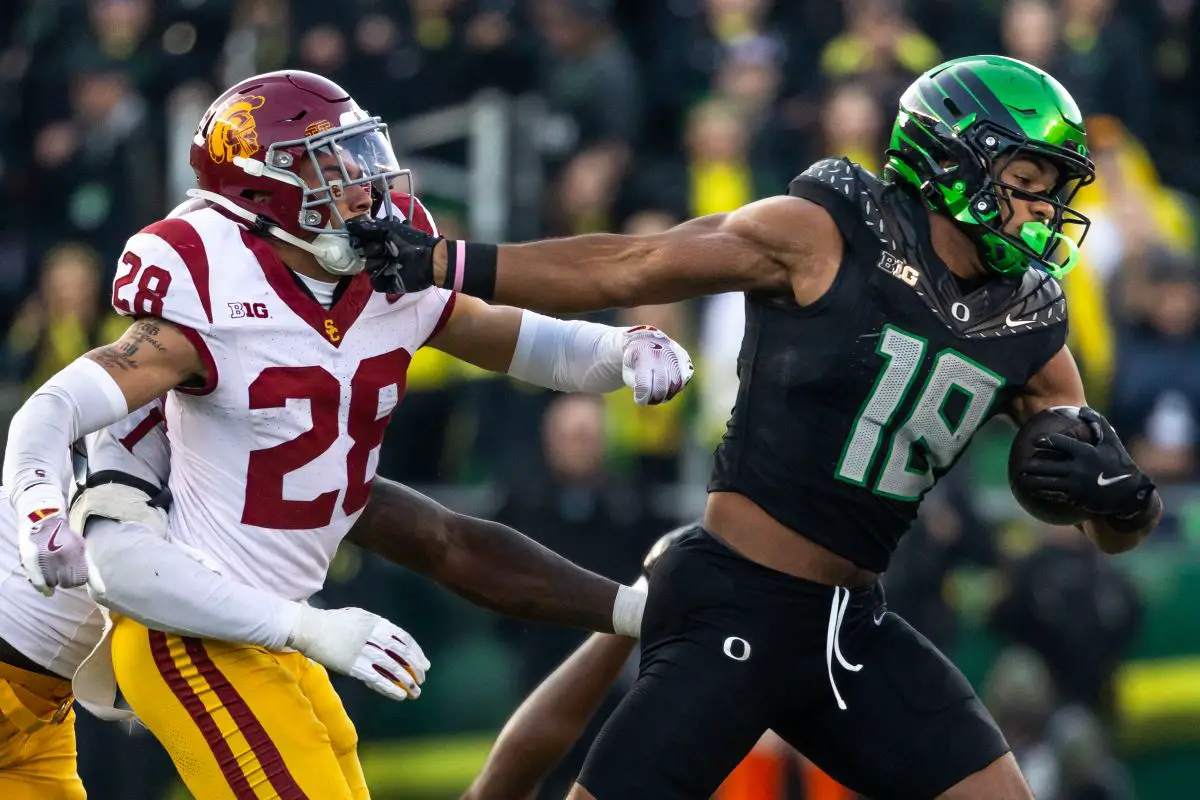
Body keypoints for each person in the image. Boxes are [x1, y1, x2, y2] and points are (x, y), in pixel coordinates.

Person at [345, 55, 1163, 799]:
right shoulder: (830, 228)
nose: (1045, 208)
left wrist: (1127, 501)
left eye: (1055, 187)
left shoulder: (1030, 320)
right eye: (1027, 179)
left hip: (853, 625)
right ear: (952, 159)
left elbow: (1105, 514)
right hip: (734, 600)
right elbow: (628, 264)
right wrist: (447, 260)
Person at [2, 69, 693, 799]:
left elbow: (510, 342)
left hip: (138, 664)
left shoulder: (376, 285)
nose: (362, 184)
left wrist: (618, 350)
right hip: (151, 628)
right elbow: (62, 437)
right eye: (328, 164)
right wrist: (43, 511)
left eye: (358, 155)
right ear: (262, 190)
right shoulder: (197, 307)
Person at [1, 392, 666, 799]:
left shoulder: (285, 420)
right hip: (151, 640)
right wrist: (305, 626)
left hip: (45, 710)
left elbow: (449, 542)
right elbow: (107, 542)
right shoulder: (200, 378)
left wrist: (631, 610)